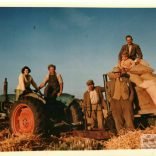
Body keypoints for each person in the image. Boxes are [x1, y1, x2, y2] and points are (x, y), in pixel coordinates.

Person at [107, 67, 134, 133]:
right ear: (113, 74)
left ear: (120, 73)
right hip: (115, 102)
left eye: (118, 72)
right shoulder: (109, 83)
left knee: (129, 118)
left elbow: (132, 91)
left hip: (126, 101)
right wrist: (111, 100)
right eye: (116, 73)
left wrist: (130, 100)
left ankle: (131, 133)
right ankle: (121, 134)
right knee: (118, 119)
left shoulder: (126, 80)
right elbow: (108, 94)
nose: (117, 74)